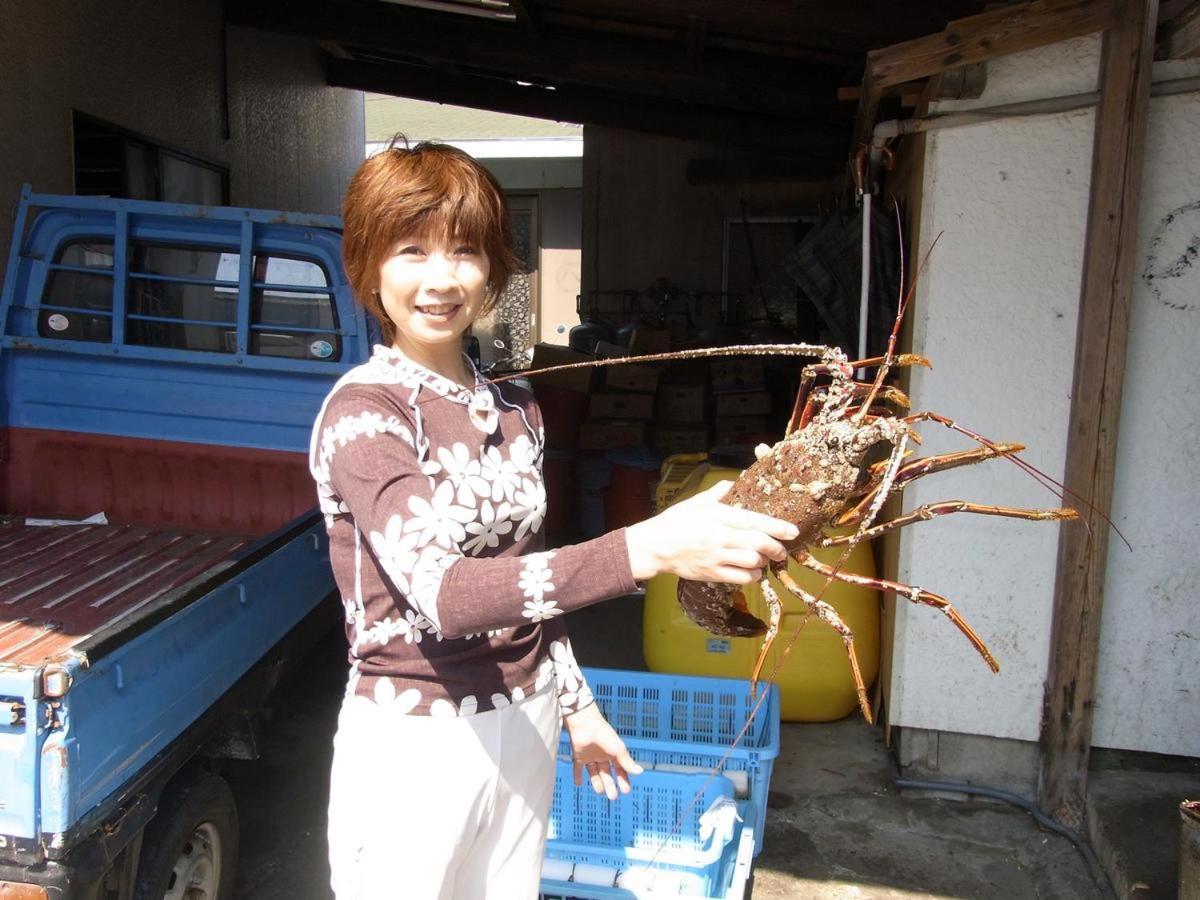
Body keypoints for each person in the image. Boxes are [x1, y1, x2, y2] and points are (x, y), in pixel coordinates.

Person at [309, 141, 800, 900]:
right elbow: (445, 594)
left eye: (465, 252)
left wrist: (577, 707)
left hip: (527, 716)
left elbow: (531, 577)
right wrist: (648, 546)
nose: (441, 279)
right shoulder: (365, 414)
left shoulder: (516, 408)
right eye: (411, 251)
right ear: (369, 267)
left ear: (494, 269)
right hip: (416, 737)